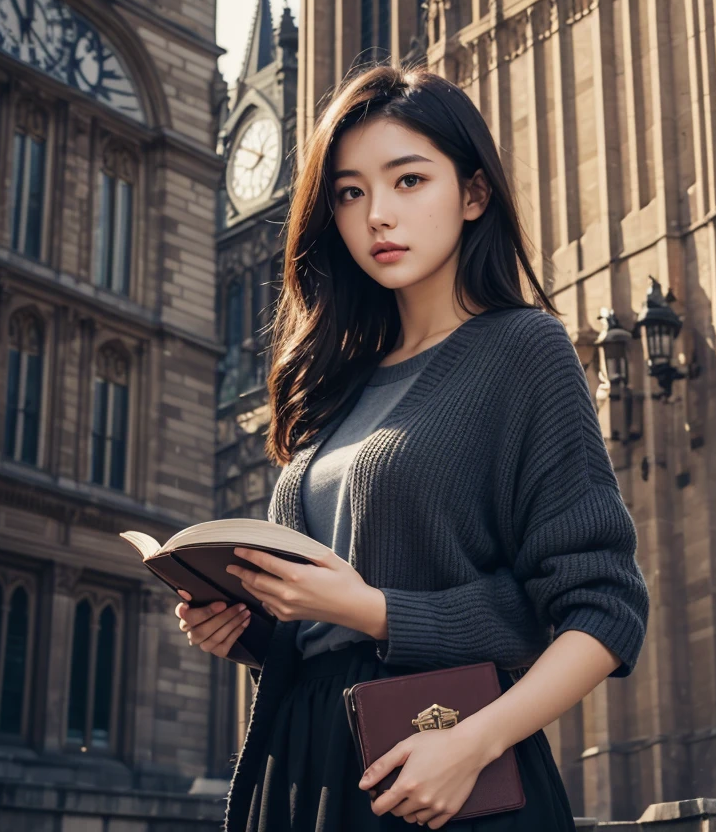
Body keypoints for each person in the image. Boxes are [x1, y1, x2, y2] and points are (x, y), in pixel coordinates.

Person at [174, 64, 651, 831]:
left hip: (439, 765)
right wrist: (256, 628)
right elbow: (338, 619)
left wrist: (471, 740)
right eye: (351, 192)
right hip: (301, 767)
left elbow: (606, 611)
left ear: (472, 194)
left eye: (407, 181)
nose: (376, 217)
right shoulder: (338, 383)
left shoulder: (522, 349)